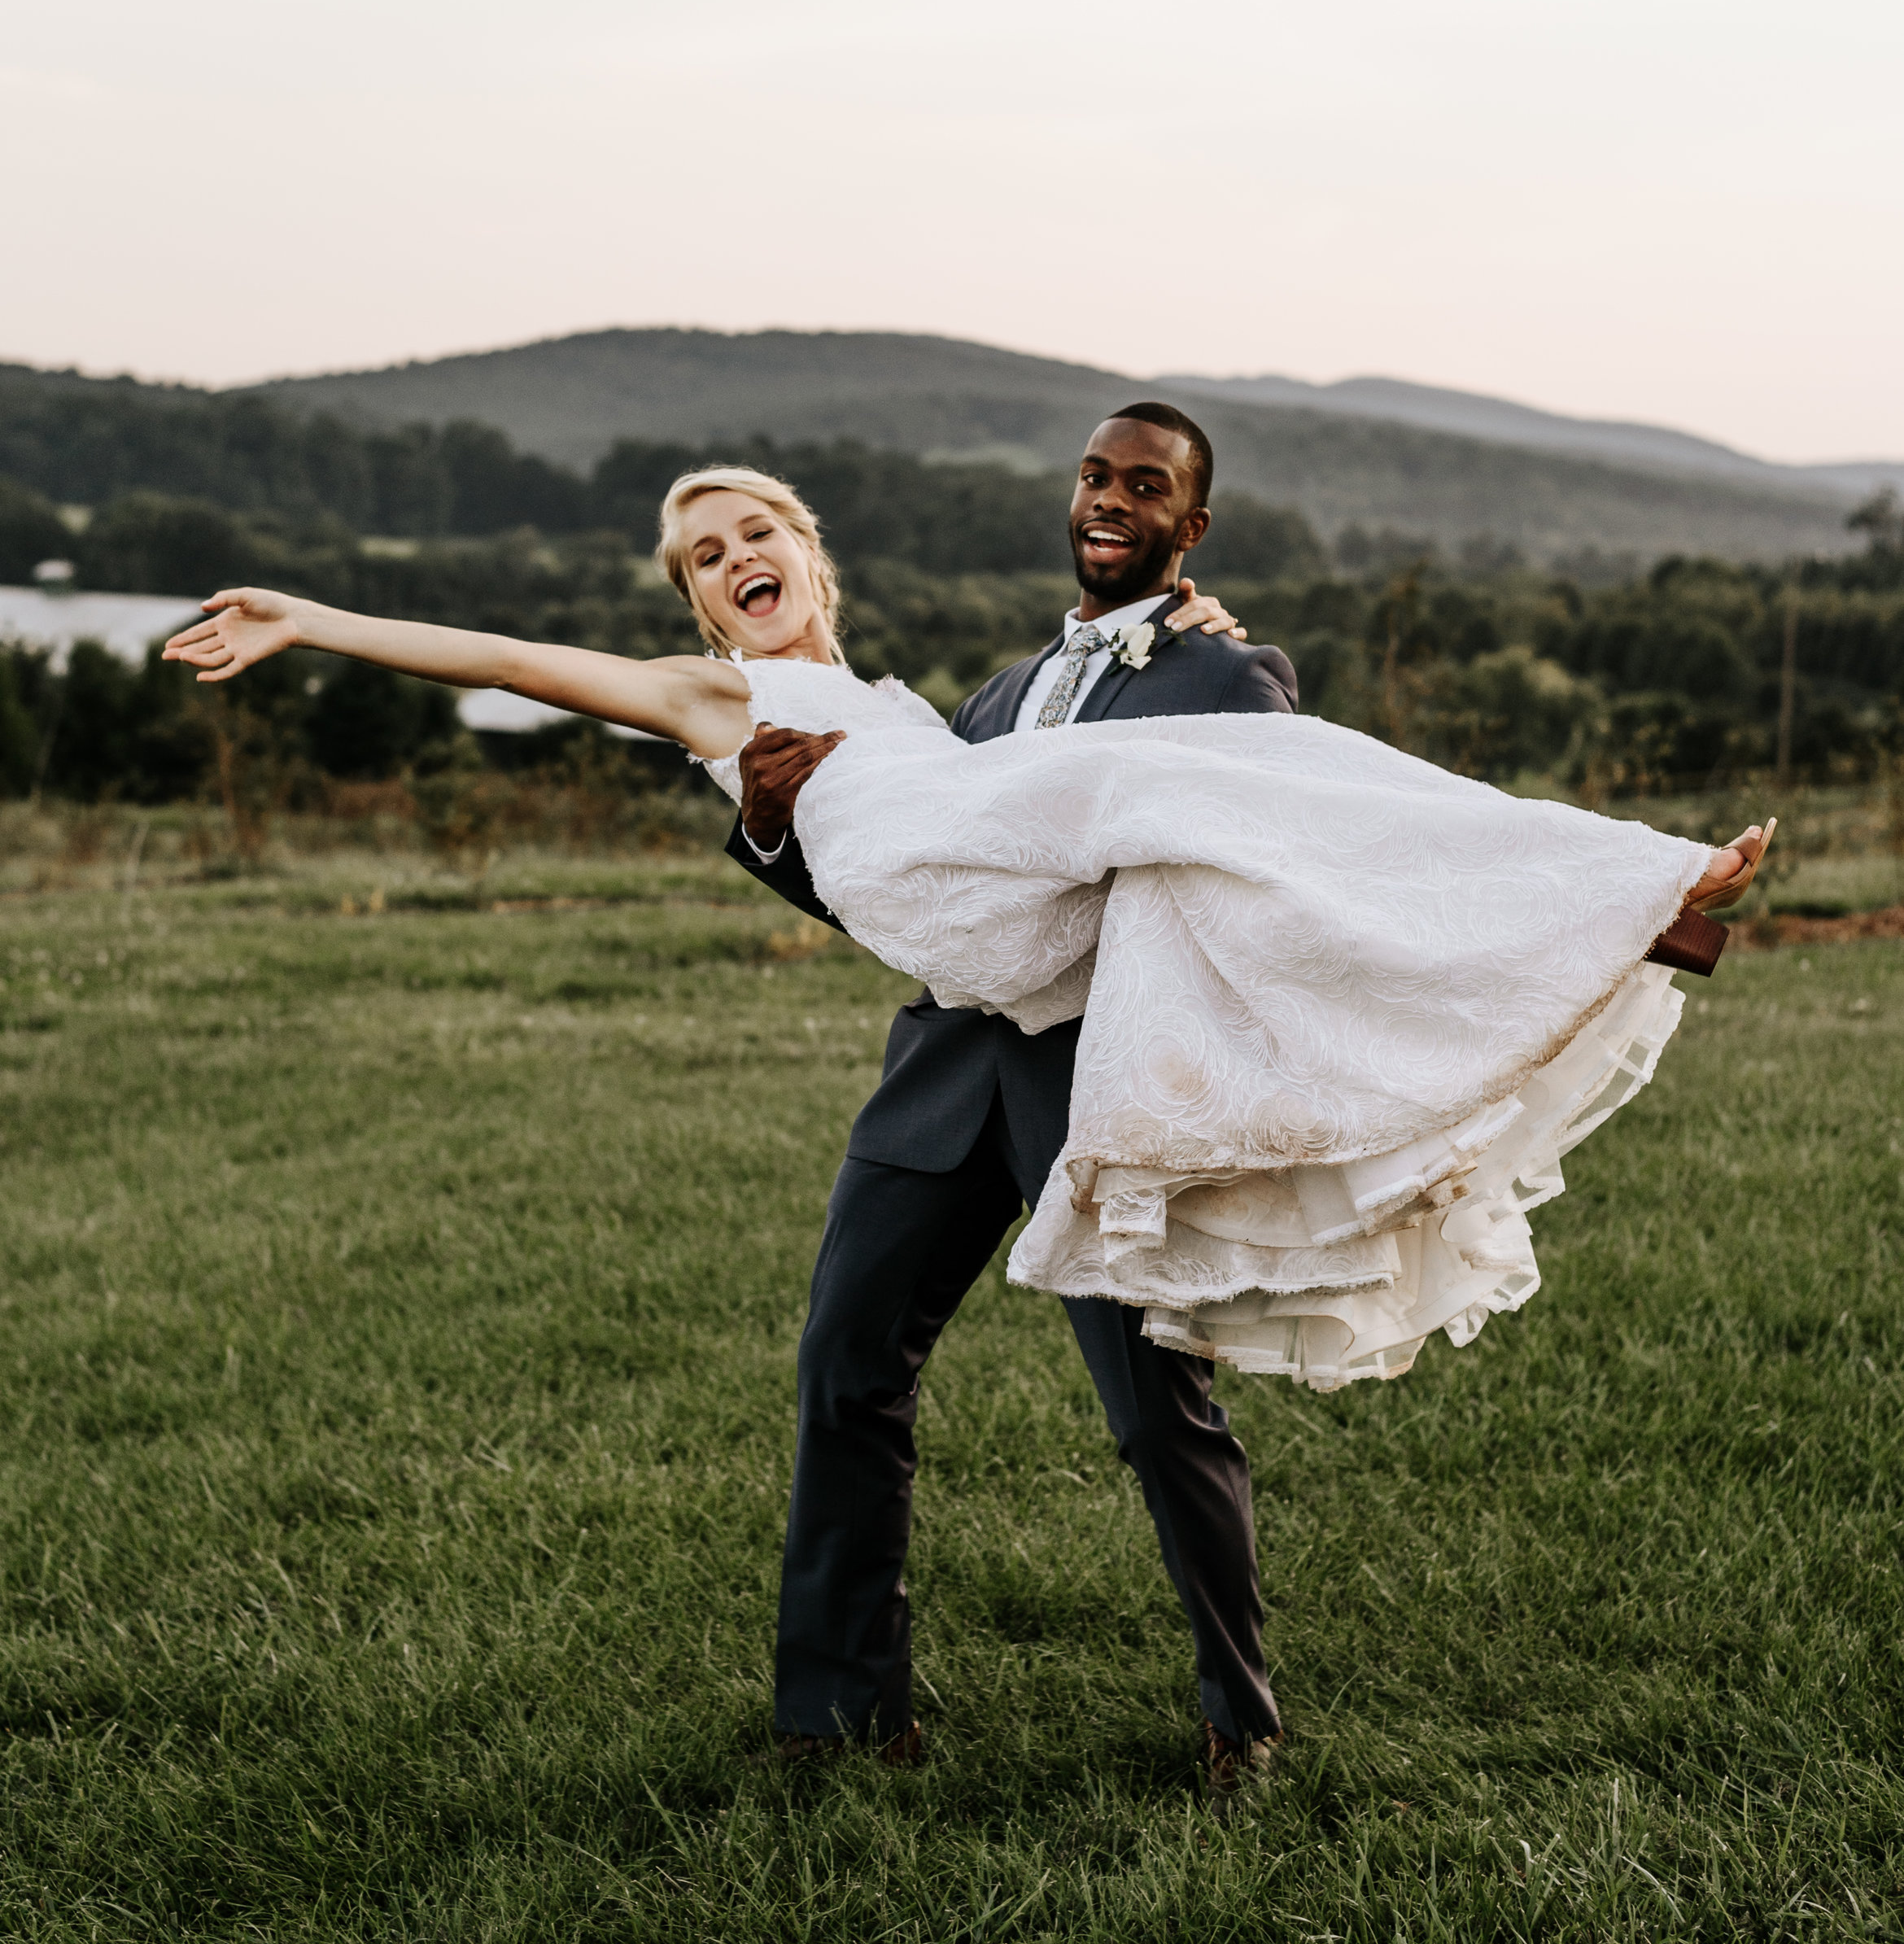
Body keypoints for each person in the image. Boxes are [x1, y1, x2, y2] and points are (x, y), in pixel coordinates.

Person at [165, 404, 1767, 1815]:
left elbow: (1191, 823)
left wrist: (1175, 633)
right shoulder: (757, 711)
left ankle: (1240, 1712)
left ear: (810, 551)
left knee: (1154, 1401)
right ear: (695, 600)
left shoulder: (941, 715)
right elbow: (529, 670)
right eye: (705, 552)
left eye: (756, 531)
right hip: (943, 1063)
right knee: (844, 1367)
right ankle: (837, 1715)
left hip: (1086, 1060)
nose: (734, 556)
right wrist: (313, 620)